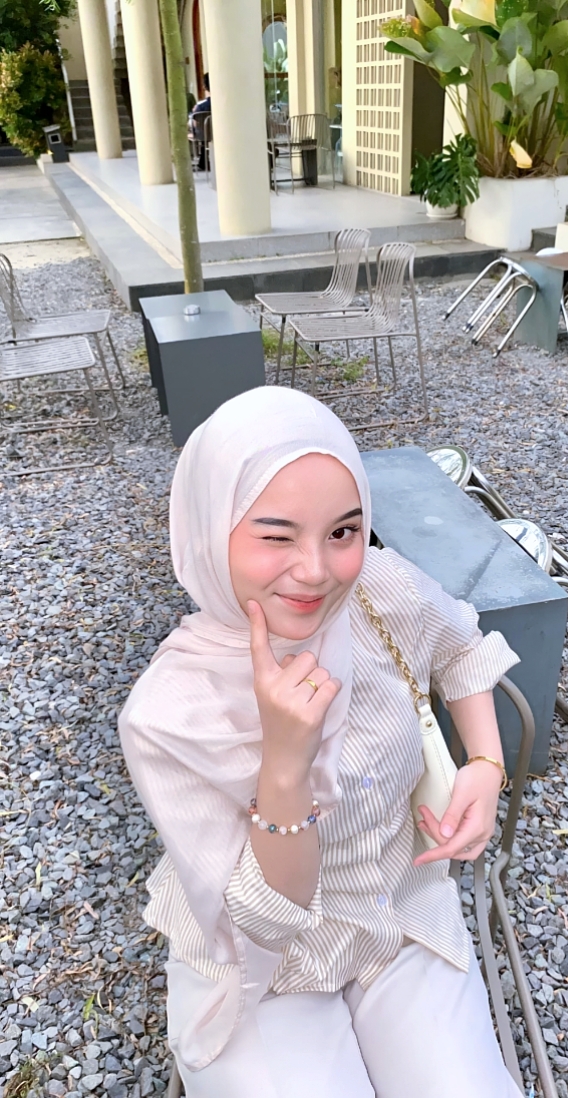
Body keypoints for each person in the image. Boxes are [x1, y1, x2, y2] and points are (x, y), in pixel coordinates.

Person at [119, 387, 522, 1098]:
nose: (316, 569)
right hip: (262, 968)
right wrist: (284, 763)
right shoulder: (170, 715)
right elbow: (265, 921)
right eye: (276, 536)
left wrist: (486, 763)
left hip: (400, 910)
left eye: (343, 531)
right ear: (210, 529)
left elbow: (460, 645)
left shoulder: (374, 589)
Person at [189, 73, 211, 172]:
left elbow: (194, 123)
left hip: (204, 134)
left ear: (204, 87)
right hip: (220, 133)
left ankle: (203, 162)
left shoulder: (200, 106)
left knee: (203, 134)